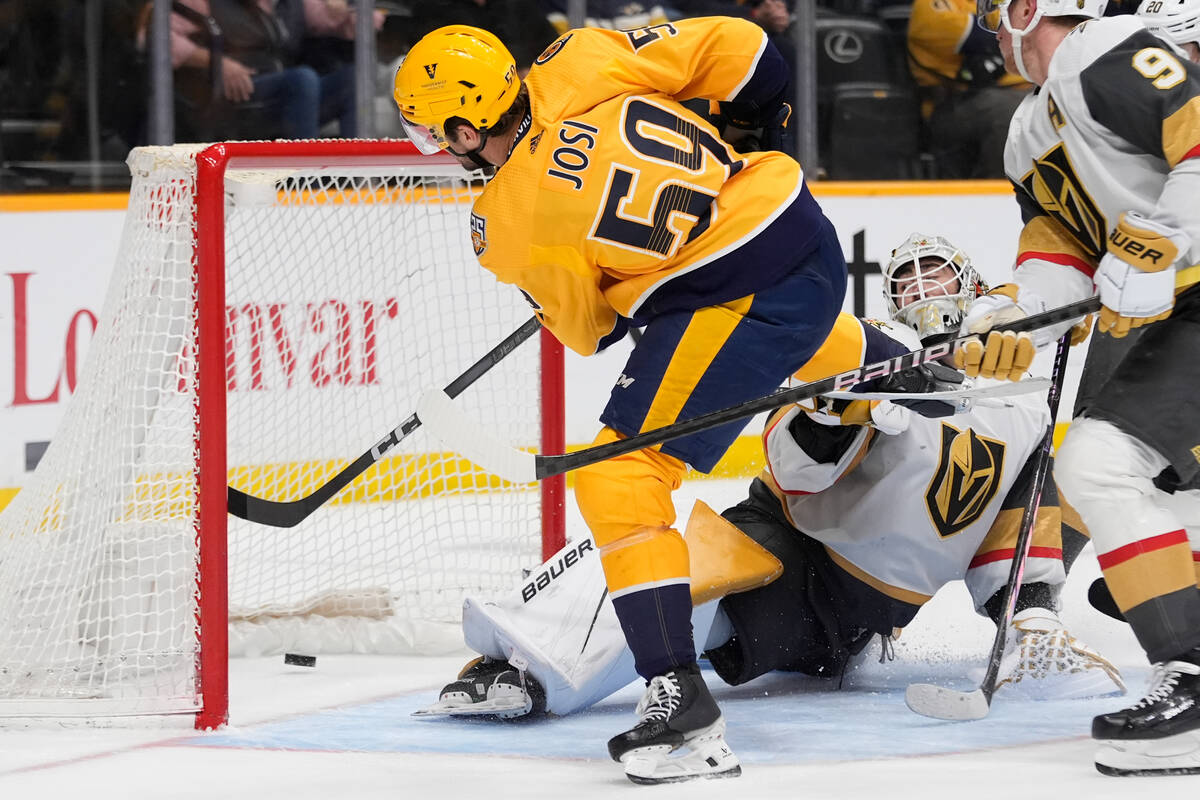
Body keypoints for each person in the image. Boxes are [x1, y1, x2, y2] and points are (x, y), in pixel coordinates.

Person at [417, 233, 1124, 754]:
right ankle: (519, 662)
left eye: (937, 275)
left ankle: (1034, 625)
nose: (922, 292)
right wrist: (845, 406)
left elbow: (1015, 508)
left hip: (853, 624)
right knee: (677, 580)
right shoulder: (871, 352)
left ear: (971, 286)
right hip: (791, 545)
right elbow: (792, 467)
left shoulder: (1024, 395)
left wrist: (1027, 613)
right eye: (906, 282)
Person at [393, 18, 860, 784]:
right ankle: (899, 365)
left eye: (429, 132)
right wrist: (749, 129)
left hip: (744, 293)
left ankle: (679, 704)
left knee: (617, 476)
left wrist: (573, 278)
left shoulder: (501, 225)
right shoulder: (578, 54)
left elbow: (589, 328)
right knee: (756, 342)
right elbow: (746, 51)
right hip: (800, 231)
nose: (434, 147)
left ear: (465, 125)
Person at [953, 0, 1200, 776]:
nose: (988, 31)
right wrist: (1012, 325)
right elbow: (1057, 258)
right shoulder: (1026, 133)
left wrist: (1164, 237)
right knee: (1175, 497)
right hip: (1183, 312)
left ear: (1030, 9)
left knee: (1097, 464)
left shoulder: (1105, 47)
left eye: (996, 13)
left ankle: (1190, 679)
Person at [162, 0, 378, 140]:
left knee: (353, 80)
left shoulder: (290, 5)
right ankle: (305, 180)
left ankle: (362, 176)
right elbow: (158, 37)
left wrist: (346, 6)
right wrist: (218, 63)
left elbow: (353, 22)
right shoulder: (202, 2)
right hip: (233, 100)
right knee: (303, 79)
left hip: (285, 95)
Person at [907, 0, 1033, 178]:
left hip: (1019, 90)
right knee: (1012, 110)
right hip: (954, 102)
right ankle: (1001, 193)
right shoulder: (929, 5)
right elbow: (978, 35)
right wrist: (1021, 27)